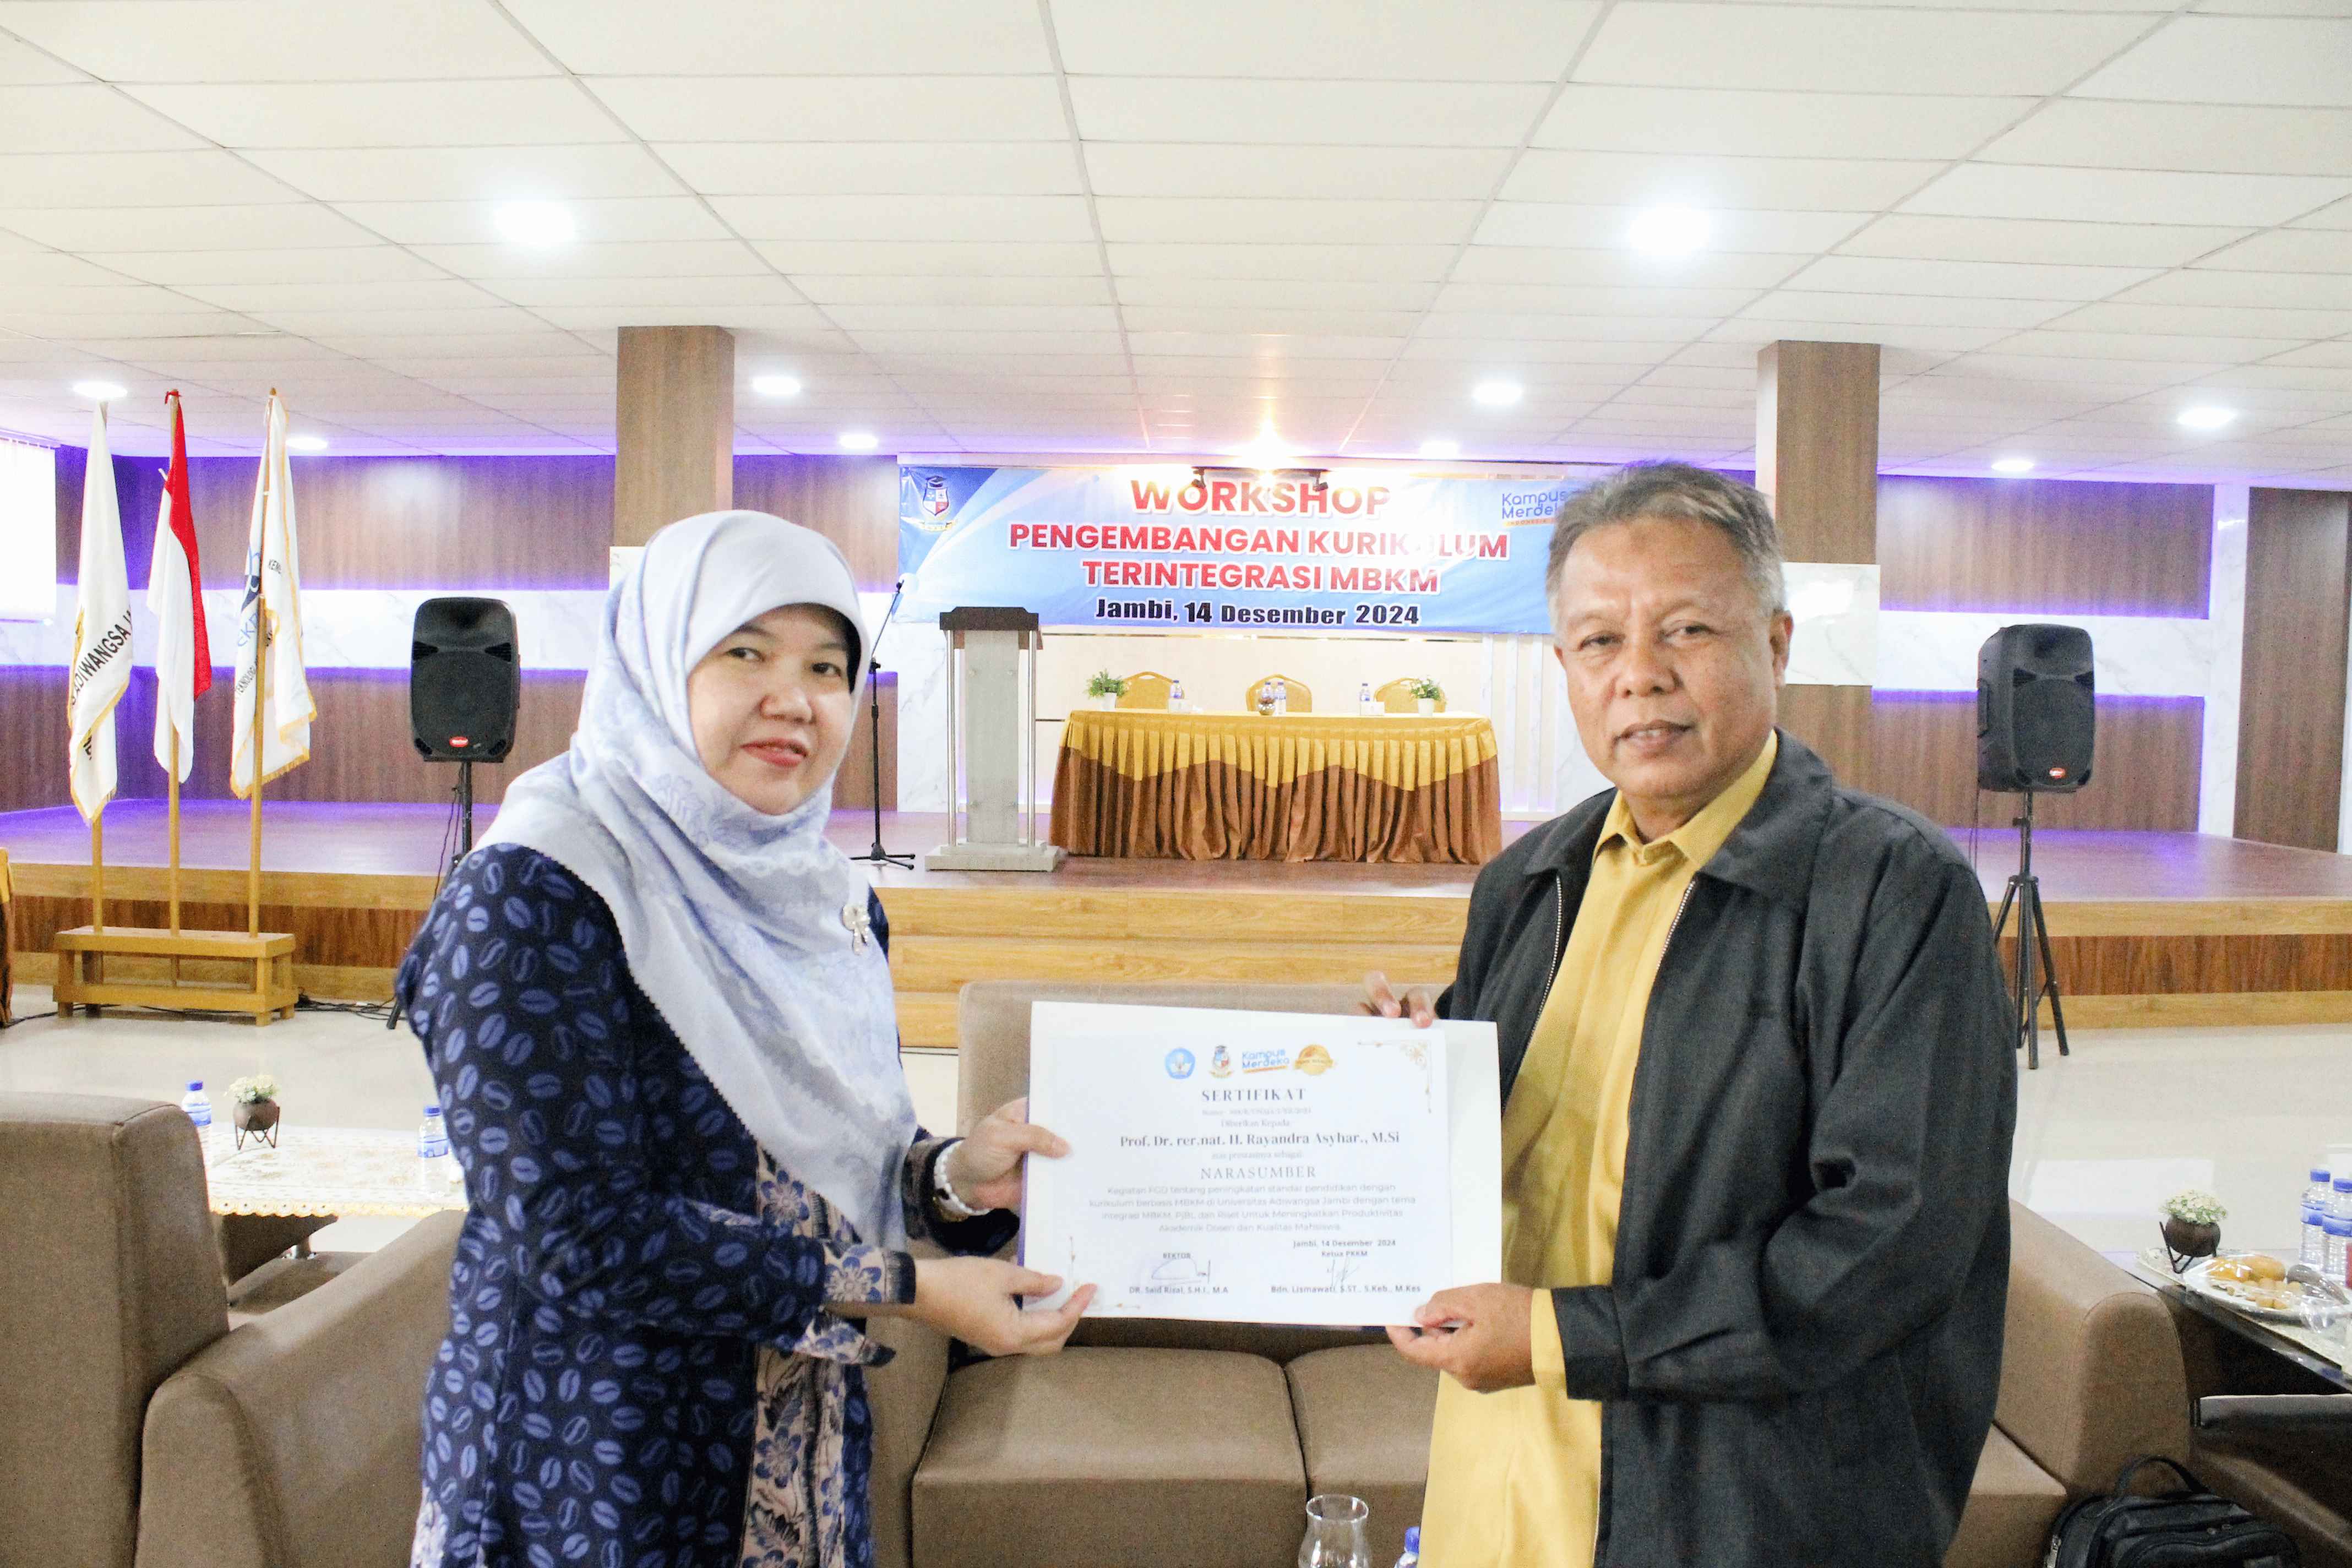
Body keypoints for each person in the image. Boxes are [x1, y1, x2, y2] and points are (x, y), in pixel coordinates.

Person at [397, 510, 1093, 1568]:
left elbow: (822, 1160)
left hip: (799, 1450)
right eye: (746, 653)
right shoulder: (535, 897)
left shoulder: (828, 902)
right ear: (655, 661)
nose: (794, 699)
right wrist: (909, 1289)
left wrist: (954, 1178)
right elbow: (578, 1234)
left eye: (826, 667)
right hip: (596, 1461)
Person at [1366, 463, 2015, 1568]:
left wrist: (1566, 1336)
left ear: (1776, 643)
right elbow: (1496, 1151)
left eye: (1687, 630)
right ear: (1565, 668)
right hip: (1505, 1478)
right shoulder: (1529, 879)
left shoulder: (1892, 890)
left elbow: (1889, 1245)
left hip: (1742, 1508)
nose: (1640, 675)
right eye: (1598, 641)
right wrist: (1399, 1087)